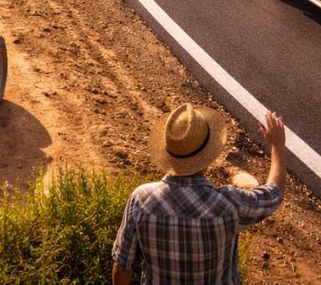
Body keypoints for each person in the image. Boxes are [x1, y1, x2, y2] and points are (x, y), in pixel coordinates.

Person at [112, 104, 287, 285]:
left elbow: (122, 265)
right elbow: (274, 193)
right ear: (207, 157)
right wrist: (278, 147)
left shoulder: (140, 200)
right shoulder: (228, 204)